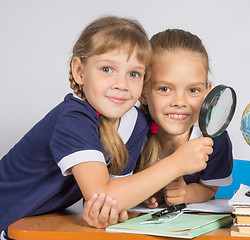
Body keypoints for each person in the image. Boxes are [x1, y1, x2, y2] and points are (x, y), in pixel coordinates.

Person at [0, 17, 213, 239]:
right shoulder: (73, 119)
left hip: (39, 224)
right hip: (7, 221)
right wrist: (177, 163)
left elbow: (109, 200)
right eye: (107, 69)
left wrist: (105, 211)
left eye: (133, 74)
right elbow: (104, 193)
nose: (121, 84)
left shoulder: (136, 123)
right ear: (80, 71)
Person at [83, 28, 233, 227]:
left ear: (207, 92)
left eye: (193, 90)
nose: (180, 101)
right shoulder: (128, 131)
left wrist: (185, 193)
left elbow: (209, 189)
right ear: (143, 92)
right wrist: (140, 194)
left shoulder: (215, 140)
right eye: (164, 89)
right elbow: (101, 193)